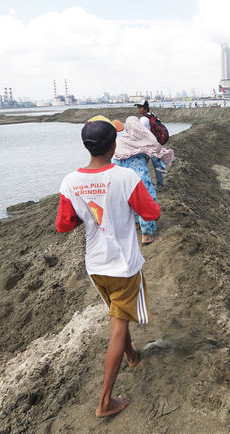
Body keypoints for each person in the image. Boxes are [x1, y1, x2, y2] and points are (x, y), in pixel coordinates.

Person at [55, 115, 160, 418]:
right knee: (118, 325)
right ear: (114, 145)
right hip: (123, 266)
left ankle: (132, 357)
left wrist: (88, 211)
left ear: (87, 146)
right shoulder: (125, 178)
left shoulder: (70, 182)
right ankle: (104, 402)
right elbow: (151, 213)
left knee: (118, 314)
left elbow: (64, 225)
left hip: (96, 265)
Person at [113, 116, 174, 244]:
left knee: (129, 201)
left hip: (123, 178)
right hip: (140, 177)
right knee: (146, 202)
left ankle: (135, 224)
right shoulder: (145, 139)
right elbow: (156, 152)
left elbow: (114, 160)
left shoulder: (120, 141)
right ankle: (147, 234)